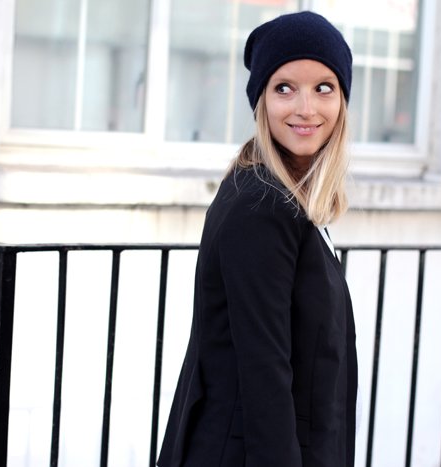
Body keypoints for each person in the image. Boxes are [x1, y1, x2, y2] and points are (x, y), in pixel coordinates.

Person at [157, 11, 357, 467]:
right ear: (261, 100)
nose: (306, 108)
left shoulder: (288, 199)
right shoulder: (262, 208)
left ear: (342, 100)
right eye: (284, 88)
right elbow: (264, 378)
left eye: (323, 88)